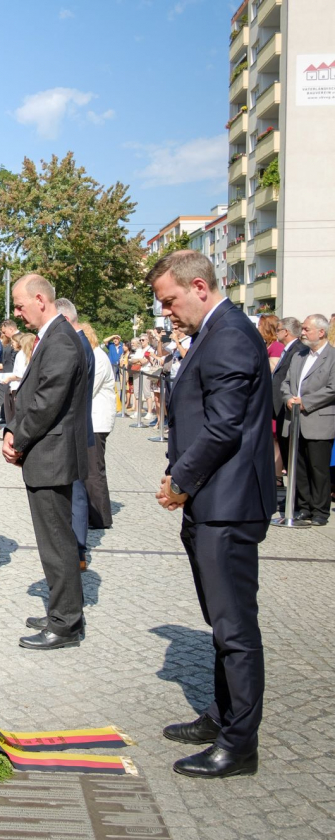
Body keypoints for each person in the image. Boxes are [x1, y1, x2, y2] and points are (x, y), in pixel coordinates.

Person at [150, 250, 274, 779]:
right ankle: (223, 715)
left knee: (235, 628)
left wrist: (180, 481)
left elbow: (223, 427)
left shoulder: (227, 335)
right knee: (221, 624)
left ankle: (239, 745)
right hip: (213, 501)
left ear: (199, 286)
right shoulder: (215, 331)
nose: (167, 312)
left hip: (228, 504)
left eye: (170, 300)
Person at [2, 275, 89, 650]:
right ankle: (62, 610)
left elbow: (45, 403)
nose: (17, 313)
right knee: (54, 540)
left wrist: (17, 438)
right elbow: (35, 394)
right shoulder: (54, 336)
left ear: (40, 299)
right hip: (47, 454)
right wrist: (12, 430)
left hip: (52, 456)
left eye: (20, 305)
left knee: (57, 543)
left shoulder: (61, 340)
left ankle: (65, 623)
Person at [280, 314, 335, 526]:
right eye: (302, 328)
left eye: (306, 329)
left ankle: (320, 511)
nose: (302, 333)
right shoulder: (299, 356)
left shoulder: (332, 356)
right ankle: (304, 507)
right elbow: (285, 383)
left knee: (318, 469)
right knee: (299, 468)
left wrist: (305, 402)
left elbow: (332, 388)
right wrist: (288, 399)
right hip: (294, 420)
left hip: (318, 421)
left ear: (321, 332)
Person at [55, 299, 95, 567]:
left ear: (66, 320)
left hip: (74, 429)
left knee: (76, 492)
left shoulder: (77, 344)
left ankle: (78, 549)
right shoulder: (80, 342)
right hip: (77, 426)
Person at [81, 323, 115, 529]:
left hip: (97, 420)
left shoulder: (98, 357)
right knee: (89, 469)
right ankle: (92, 512)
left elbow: (88, 389)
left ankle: (101, 517)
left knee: (94, 470)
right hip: (91, 420)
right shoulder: (93, 355)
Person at [271, 317, 307, 491]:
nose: (276, 333)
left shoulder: (298, 350)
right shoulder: (289, 350)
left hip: (287, 408)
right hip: (279, 407)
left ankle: (298, 497)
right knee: (286, 452)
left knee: (292, 455)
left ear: (286, 332)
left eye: (278, 330)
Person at [0, 332, 35, 424]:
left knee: (12, 416)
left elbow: (20, 374)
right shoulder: (32, 354)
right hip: (24, 388)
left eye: (13, 342)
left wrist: (8, 379)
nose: (12, 345)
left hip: (17, 387)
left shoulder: (21, 354)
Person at [0, 320, 18, 430]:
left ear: (11, 329)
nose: (4, 334)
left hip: (13, 375)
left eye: (5, 332)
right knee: (4, 398)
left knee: (11, 402)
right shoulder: (10, 340)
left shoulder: (19, 339)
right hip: (7, 373)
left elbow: (15, 360)